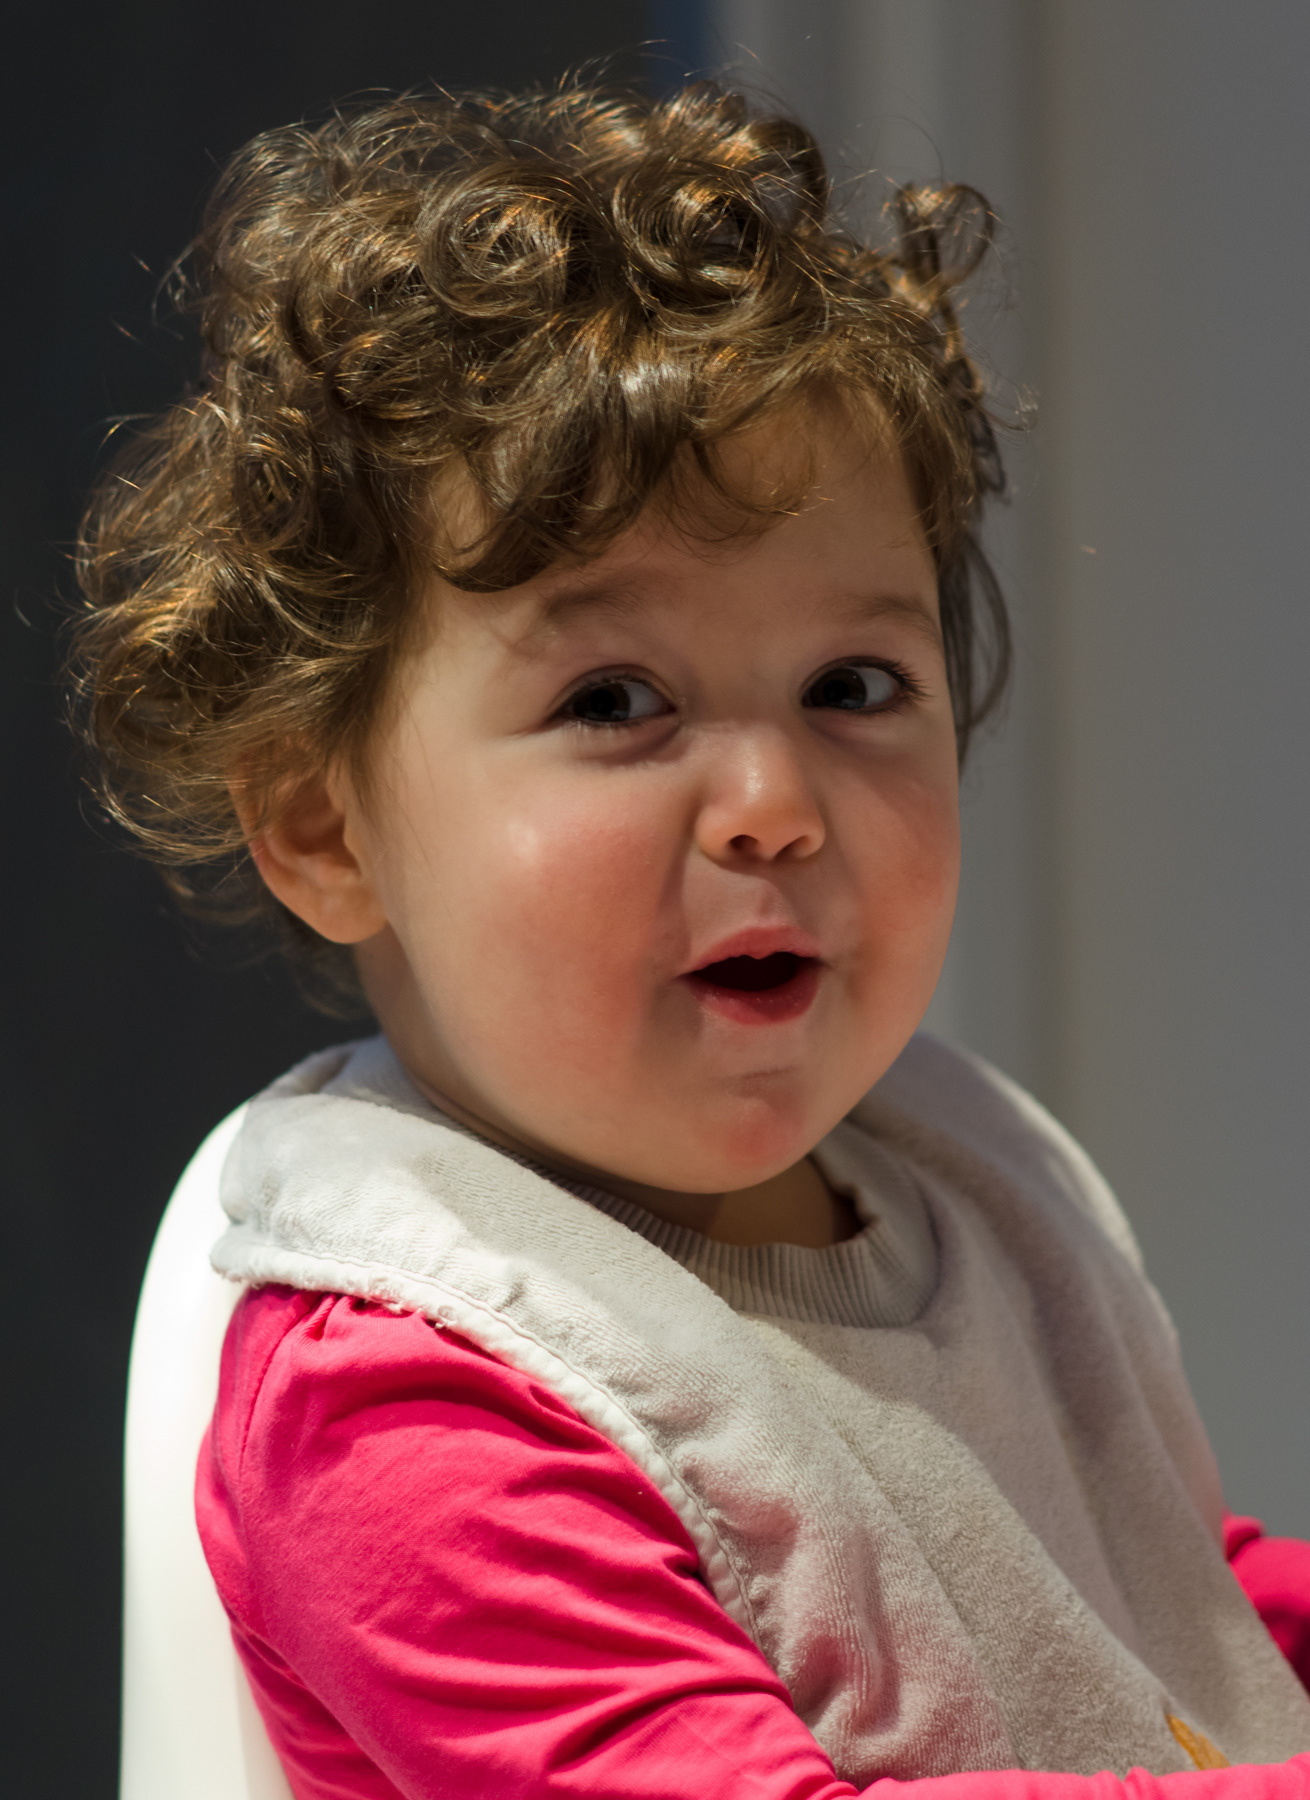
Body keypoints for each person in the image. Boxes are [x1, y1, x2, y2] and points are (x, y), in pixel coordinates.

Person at [74, 80, 1310, 1800]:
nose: (770, 803)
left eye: (851, 685)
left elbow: (1160, 1604)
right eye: (614, 701)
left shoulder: (972, 1192)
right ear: (323, 828)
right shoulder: (413, 1400)